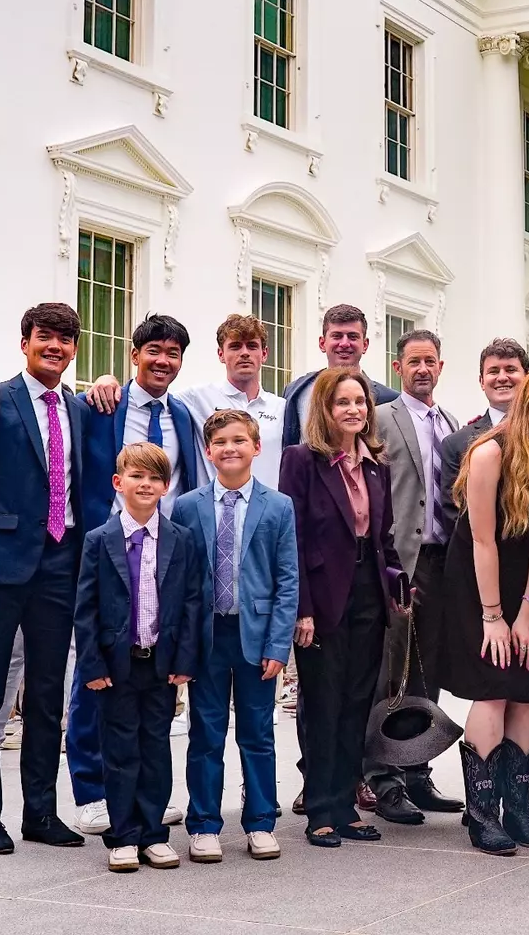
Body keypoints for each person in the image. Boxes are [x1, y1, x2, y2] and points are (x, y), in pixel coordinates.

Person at [0, 304, 88, 857]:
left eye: (64, 339)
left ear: (74, 348)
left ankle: (40, 811)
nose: (54, 347)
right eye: (44, 337)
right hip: (2, 565)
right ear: (24, 342)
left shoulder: (80, 409)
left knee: (45, 695)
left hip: (61, 564)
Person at [443, 364, 529, 856]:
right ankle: (482, 814)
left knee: (528, 687)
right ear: (524, 403)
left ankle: (518, 810)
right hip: (479, 579)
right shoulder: (489, 453)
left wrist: (526, 612)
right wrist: (494, 616)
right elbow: (482, 539)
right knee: (495, 686)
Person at [69, 314, 200, 834]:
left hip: (163, 559)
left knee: (152, 688)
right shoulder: (102, 405)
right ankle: (92, 788)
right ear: (133, 354)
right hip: (107, 555)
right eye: (153, 351)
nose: (162, 361)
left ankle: (146, 790)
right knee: (95, 674)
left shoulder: (184, 417)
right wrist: (99, 382)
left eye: (172, 353)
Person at [279, 367, 411, 847]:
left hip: (368, 595)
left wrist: (398, 587)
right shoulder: (301, 460)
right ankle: (321, 810)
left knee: (357, 702)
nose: (354, 409)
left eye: (360, 402)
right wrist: (303, 610)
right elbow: (292, 539)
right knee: (323, 704)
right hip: (322, 598)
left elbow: (385, 537)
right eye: (343, 402)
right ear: (324, 410)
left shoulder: (376, 463)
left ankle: (346, 806)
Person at [174, 410, 298, 862]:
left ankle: (261, 820)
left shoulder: (278, 505)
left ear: (256, 447)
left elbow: (288, 581)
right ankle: (204, 823)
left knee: (258, 733)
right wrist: (182, 647)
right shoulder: (188, 506)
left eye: (239, 440)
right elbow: (182, 581)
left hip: (257, 637)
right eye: (221, 442)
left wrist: (278, 644)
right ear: (209, 452)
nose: (230, 448)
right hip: (207, 636)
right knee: (205, 732)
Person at [73, 443, 203, 873]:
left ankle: (153, 834)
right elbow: (86, 608)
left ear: (166, 487)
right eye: (136, 476)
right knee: (119, 749)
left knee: (155, 747)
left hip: (160, 665)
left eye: (154, 478)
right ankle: (123, 835)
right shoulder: (99, 539)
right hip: (116, 666)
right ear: (118, 482)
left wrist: (185, 660)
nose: (145, 484)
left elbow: (189, 603)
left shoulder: (179, 540)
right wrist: (91, 665)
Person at [366, 330, 462, 823]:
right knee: (392, 673)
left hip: (443, 562)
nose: (423, 368)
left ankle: (418, 771)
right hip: (399, 559)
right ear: (398, 367)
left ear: (441, 367)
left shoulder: (452, 423)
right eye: (414, 361)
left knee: (430, 671)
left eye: (431, 361)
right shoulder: (381, 419)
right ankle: (385, 781)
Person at [176, 315, 286, 488]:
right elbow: (152, 396)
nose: (244, 353)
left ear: (264, 354)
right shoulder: (197, 398)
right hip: (212, 511)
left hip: (267, 512)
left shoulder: (282, 408)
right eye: (235, 346)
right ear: (221, 354)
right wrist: (115, 384)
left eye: (252, 346)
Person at [436, 338, 528, 540]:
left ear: (527, 377)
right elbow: (453, 513)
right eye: (493, 371)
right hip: (476, 558)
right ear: (481, 382)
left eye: (510, 369)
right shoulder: (456, 444)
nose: (502, 377)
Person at [280, 305, 399, 450]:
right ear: (322, 343)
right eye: (337, 336)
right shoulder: (296, 390)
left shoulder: (390, 400)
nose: (344, 343)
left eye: (352, 337)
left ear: (365, 345)